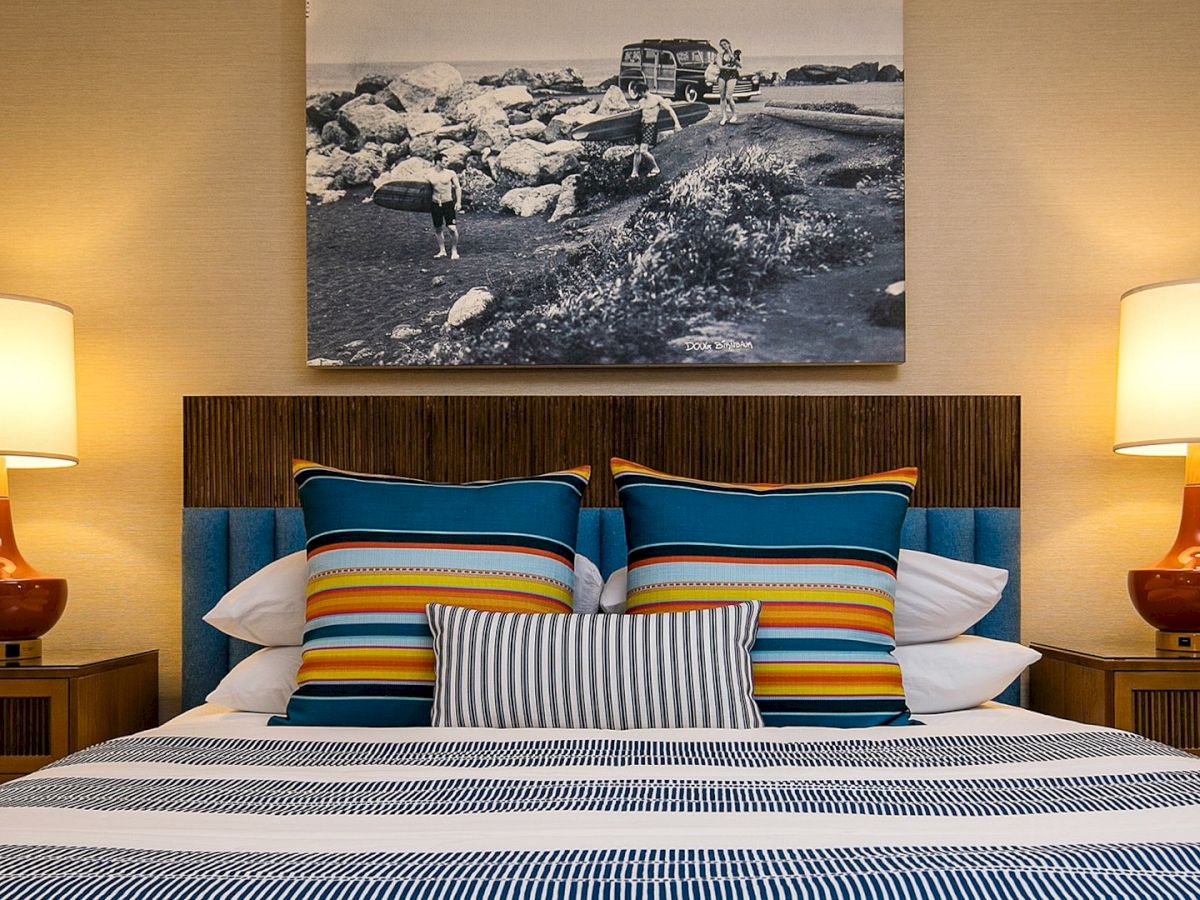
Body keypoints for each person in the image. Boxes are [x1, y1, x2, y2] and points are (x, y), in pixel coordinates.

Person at [628, 81, 681, 180]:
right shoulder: (641, 101)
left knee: (643, 151)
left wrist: (676, 123)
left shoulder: (657, 99)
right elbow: (637, 110)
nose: (639, 95)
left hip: (651, 126)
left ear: (645, 90)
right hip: (641, 126)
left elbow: (670, 110)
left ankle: (655, 168)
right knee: (636, 150)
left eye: (640, 93)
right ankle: (634, 173)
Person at [427, 155, 462, 260]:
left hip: (448, 203)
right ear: (438, 162)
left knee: (452, 228)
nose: (447, 162)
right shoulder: (429, 174)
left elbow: (457, 187)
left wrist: (458, 202)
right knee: (438, 228)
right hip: (435, 203)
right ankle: (442, 251)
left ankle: (454, 250)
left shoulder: (450, 173)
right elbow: (422, 188)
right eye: (445, 161)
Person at [716, 38, 740, 126]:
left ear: (729, 44)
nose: (724, 46)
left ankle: (735, 114)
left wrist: (731, 55)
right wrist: (730, 68)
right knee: (722, 96)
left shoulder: (735, 54)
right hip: (722, 75)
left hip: (732, 76)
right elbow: (720, 66)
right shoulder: (719, 55)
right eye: (722, 45)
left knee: (728, 96)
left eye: (725, 44)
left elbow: (739, 65)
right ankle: (724, 116)